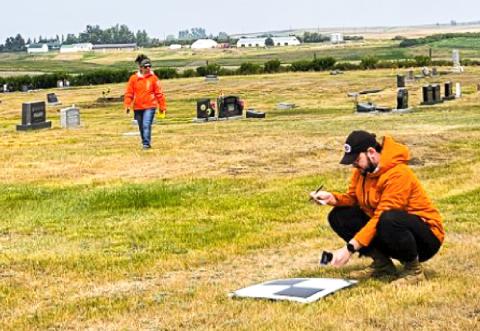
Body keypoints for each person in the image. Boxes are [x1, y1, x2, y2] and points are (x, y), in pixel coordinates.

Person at [310, 130, 444, 285]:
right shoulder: (362, 171)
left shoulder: (398, 174)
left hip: (426, 239)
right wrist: (333, 198)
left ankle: (413, 270)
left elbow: (381, 215)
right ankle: (383, 265)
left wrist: (350, 248)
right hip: (389, 229)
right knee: (339, 216)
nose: (354, 165)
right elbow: (354, 199)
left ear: (371, 152)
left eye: (356, 159)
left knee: (388, 218)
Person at [124, 54, 167, 149]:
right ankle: (145, 141)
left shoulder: (153, 78)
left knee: (146, 124)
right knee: (141, 127)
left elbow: (159, 94)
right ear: (140, 67)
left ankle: (146, 144)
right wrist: (127, 105)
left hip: (150, 106)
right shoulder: (133, 79)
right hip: (138, 107)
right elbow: (129, 93)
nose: (148, 68)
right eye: (145, 66)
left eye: (149, 66)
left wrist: (162, 106)